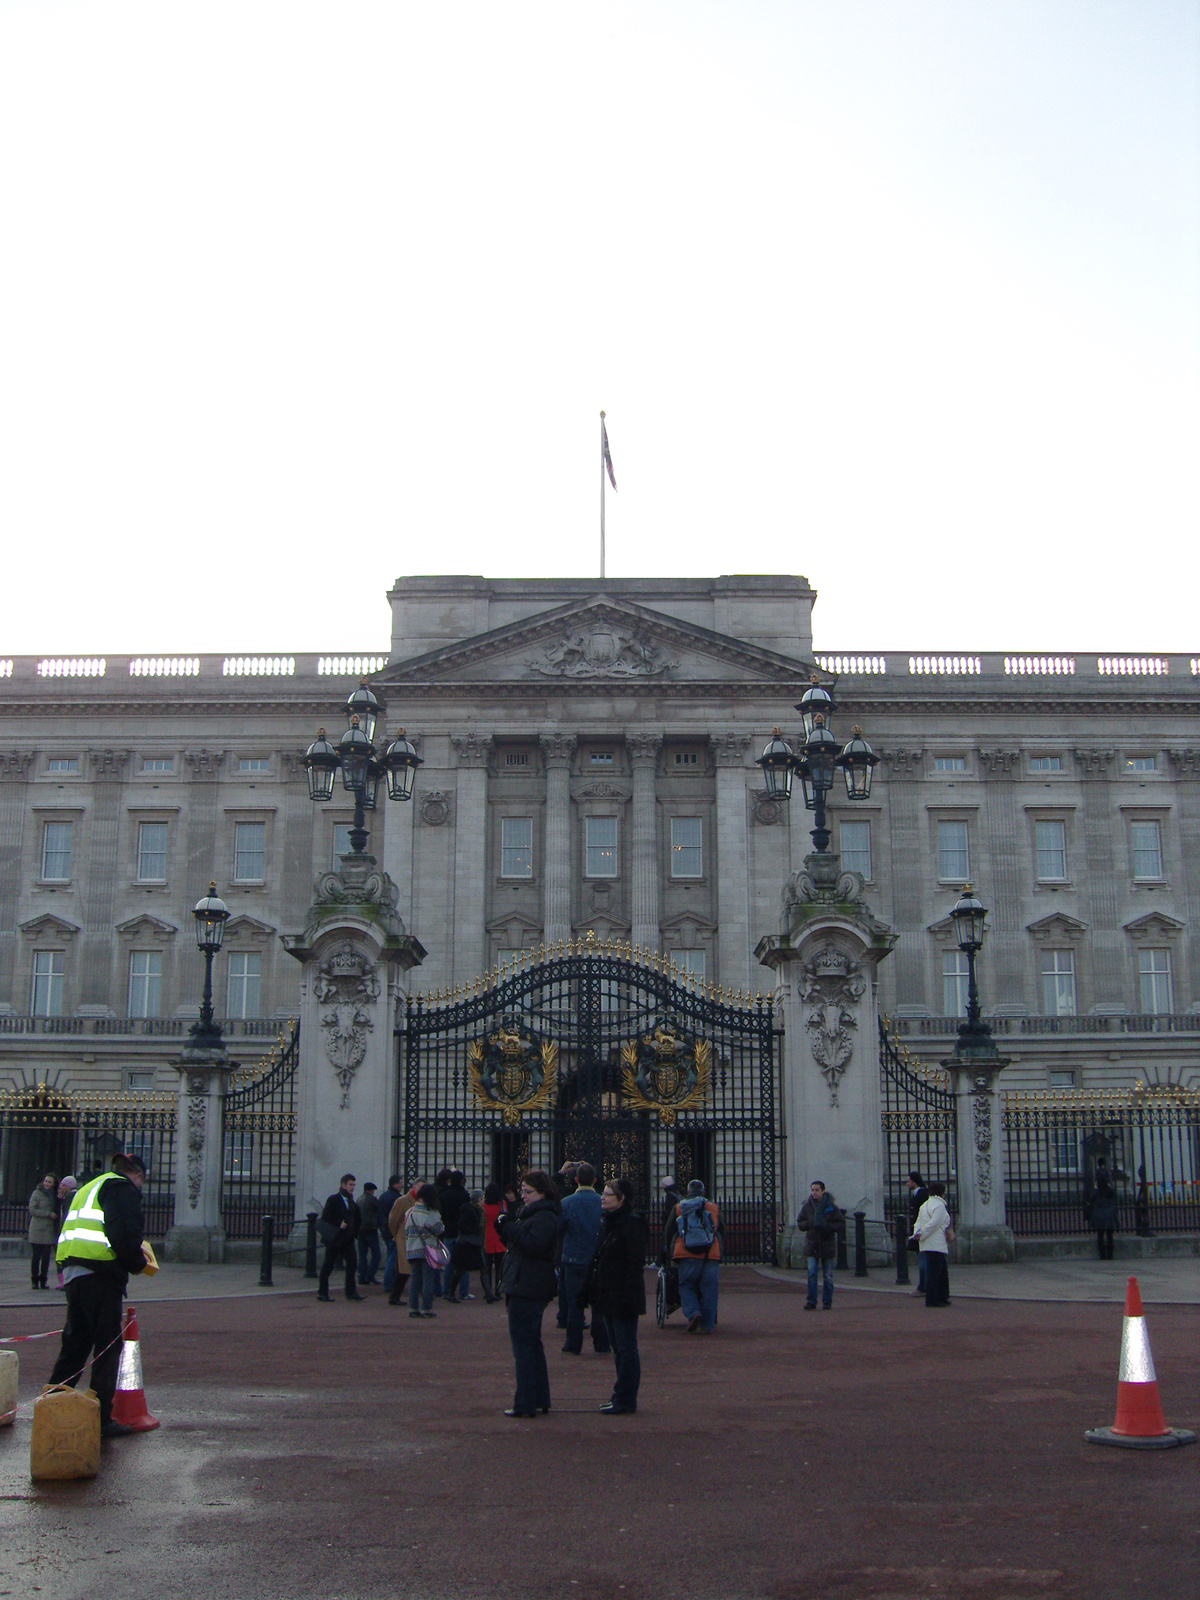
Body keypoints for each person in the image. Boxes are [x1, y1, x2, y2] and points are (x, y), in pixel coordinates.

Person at [47, 1152, 149, 1439]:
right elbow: (124, 1234)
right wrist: (138, 1263)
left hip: (73, 1271)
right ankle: (101, 1417)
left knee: (75, 1343)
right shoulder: (121, 1188)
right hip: (100, 1273)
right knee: (107, 1346)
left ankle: (52, 1401)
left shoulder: (90, 1187)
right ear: (138, 1175)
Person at [579, 1176, 648, 1413]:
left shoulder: (632, 1224)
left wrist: (624, 1296)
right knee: (619, 1349)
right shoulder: (608, 1222)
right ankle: (620, 1395)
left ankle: (626, 1399)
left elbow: (634, 1264)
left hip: (622, 1296)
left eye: (608, 1194)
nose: (602, 1197)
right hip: (607, 1294)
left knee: (626, 1349)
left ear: (622, 1199)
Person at [496, 1169, 560, 1417]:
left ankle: (525, 1402)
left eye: (528, 1192)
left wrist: (509, 1229)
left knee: (523, 1345)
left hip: (529, 1285)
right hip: (525, 1281)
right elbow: (519, 1244)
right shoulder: (534, 1214)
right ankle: (538, 1398)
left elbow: (534, 1246)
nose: (523, 1196)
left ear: (542, 1192)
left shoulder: (544, 1217)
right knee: (531, 1344)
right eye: (522, 1191)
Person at [558, 1162, 611, 1356]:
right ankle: (602, 1343)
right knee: (599, 1305)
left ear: (576, 1180)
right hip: (598, 1260)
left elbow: (559, 1229)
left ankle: (573, 1344)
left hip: (573, 1259)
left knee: (574, 1305)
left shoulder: (566, 1203)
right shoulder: (603, 1202)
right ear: (595, 1180)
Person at [669, 1178, 721, 1333]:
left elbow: (670, 1230)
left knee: (686, 1285)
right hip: (710, 1253)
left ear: (687, 1192)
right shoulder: (712, 1207)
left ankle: (693, 1312)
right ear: (704, 1192)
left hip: (687, 1252)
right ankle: (707, 1325)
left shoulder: (679, 1207)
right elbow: (720, 1229)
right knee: (710, 1290)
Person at [798, 1180, 846, 1311]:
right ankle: (811, 1301)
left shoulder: (831, 1207)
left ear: (823, 1191)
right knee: (812, 1273)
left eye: (817, 1190)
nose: (814, 1192)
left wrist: (827, 1226)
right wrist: (808, 1224)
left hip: (826, 1243)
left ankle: (827, 1301)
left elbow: (841, 1224)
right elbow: (800, 1222)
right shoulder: (807, 1207)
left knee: (827, 1276)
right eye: (812, 1190)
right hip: (812, 1244)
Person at [317, 1174, 364, 1303]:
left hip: (347, 1240)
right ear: (343, 1185)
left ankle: (351, 1292)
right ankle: (322, 1292)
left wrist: (356, 1231)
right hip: (334, 1239)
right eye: (350, 1185)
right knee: (328, 1265)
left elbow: (357, 1218)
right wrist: (339, 1224)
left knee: (352, 1264)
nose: (352, 1187)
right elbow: (326, 1216)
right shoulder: (334, 1199)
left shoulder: (352, 1201)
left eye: (354, 1185)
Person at [445, 1188, 493, 1303]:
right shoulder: (472, 1211)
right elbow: (462, 1225)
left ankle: (451, 1293)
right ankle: (488, 1294)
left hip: (468, 1244)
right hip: (469, 1244)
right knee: (479, 1268)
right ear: (480, 1199)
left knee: (462, 1269)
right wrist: (474, 1229)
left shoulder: (472, 1209)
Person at [404, 1183, 444, 1317]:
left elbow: (406, 1230)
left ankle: (412, 1308)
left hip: (412, 1249)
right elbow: (439, 1229)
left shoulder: (410, 1212)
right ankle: (427, 1308)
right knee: (427, 1279)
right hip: (428, 1250)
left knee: (414, 1279)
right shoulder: (430, 1212)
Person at [911, 1180, 952, 1307]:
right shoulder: (939, 1206)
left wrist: (917, 1233)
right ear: (942, 1193)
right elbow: (934, 1223)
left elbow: (918, 1222)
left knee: (941, 1272)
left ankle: (942, 1296)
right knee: (935, 1273)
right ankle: (933, 1299)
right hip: (936, 1244)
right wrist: (921, 1234)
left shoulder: (925, 1205)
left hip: (928, 1244)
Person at [437, 1169, 472, 1298]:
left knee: (448, 1264)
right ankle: (463, 1292)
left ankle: (445, 1291)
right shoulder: (465, 1195)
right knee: (463, 1264)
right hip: (462, 1232)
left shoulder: (444, 1195)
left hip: (448, 1231)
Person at [387, 1181, 421, 1307]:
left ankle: (395, 1295)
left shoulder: (421, 1201)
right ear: (414, 1187)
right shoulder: (402, 1201)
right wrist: (396, 1235)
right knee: (406, 1268)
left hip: (415, 1238)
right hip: (404, 1237)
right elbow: (393, 1220)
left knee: (403, 1269)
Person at [27, 1171, 59, 1290]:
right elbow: (32, 1210)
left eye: (49, 1182)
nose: (46, 1183)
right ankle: (35, 1280)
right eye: (46, 1181)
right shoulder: (37, 1193)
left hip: (49, 1230)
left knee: (46, 1258)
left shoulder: (54, 1195)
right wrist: (48, 1214)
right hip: (37, 1229)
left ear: (53, 1184)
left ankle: (43, 1280)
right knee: (36, 1257)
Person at [377, 1173, 406, 1292]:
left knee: (391, 1256)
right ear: (395, 1184)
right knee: (393, 1258)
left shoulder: (383, 1196)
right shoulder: (396, 1198)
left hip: (385, 1230)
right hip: (393, 1231)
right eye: (400, 1183)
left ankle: (390, 1282)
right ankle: (389, 1283)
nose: (402, 1186)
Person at [1086, 1157, 1118, 1260]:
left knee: (1100, 1235)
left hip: (1099, 1211)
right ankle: (1110, 1254)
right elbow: (1114, 1196)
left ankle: (1102, 1255)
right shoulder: (1108, 1186)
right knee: (1109, 1234)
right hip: (1108, 1210)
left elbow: (1091, 1198)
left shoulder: (1097, 1187)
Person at [906, 1171, 930, 1299]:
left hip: (920, 1232)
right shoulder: (918, 1193)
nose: (907, 1183)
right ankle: (924, 1285)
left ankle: (923, 1286)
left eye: (908, 1181)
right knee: (921, 1259)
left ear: (914, 1182)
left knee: (923, 1261)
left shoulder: (922, 1194)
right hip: (917, 1231)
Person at [482, 1181, 507, 1302]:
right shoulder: (501, 1204)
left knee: (486, 1268)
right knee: (499, 1268)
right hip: (499, 1237)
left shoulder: (484, 1206)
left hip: (486, 1237)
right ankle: (498, 1290)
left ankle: (488, 1291)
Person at [356, 1181, 382, 1285]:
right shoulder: (372, 1199)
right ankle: (370, 1275)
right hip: (371, 1229)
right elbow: (379, 1211)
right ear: (371, 1191)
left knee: (362, 1255)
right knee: (376, 1254)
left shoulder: (359, 1199)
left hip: (361, 1229)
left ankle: (361, 1276)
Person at [54, 1176, 77, 1289]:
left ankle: (63, 1281)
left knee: (62, 1255)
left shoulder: (69, 1197)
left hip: (66, 1231)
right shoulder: (67, 1197)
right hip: (68, 1231)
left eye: (63, 1185)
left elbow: (65, 1215)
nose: (60, 1187)